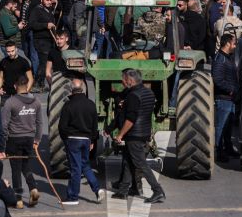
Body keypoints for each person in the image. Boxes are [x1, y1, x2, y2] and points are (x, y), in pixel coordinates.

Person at [112, 69, 164, 204]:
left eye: (123, 79)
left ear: (130, 81)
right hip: (144, 132)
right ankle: (123, 191)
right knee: (129, 161)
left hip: (134, 134)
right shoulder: (149, 92)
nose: (122, 82)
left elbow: (131, 119)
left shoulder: (133, 96)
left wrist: (120, 135)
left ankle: (157, 191)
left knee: (141, 164)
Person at [2, 76, 46, 208]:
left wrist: (3, 142)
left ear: (15, 86)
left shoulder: (10, 102)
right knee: (25, 165)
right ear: (27, 86)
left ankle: (18, 199)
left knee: (15, 169)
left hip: (14, 138)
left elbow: (4, 125)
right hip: (29, 139)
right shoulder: (36, 102)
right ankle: (33, 188)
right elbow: (40, 122)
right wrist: (37, 139)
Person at [58, 77, 101, 205]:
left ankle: (73, 197)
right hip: (87, 140)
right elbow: (95, 125)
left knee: (75, 168)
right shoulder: (91, 104)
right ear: (82, 89)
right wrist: (92, 140)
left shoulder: (68, 105)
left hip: (73, 140)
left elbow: (62, 127)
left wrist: (66, 139)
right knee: (85, 166)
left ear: (71, 90)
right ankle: (97, 190)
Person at [211, 33, 240, 161]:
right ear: (227, 43)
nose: (235, 46)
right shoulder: (220, 59)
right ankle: (219, 151)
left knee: (228, 126)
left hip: (230, 99)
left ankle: (228, 148)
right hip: (223, 98)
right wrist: (231, 90)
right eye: (234, 43)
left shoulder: (228, 58)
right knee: (221, 126)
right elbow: (217, 79)